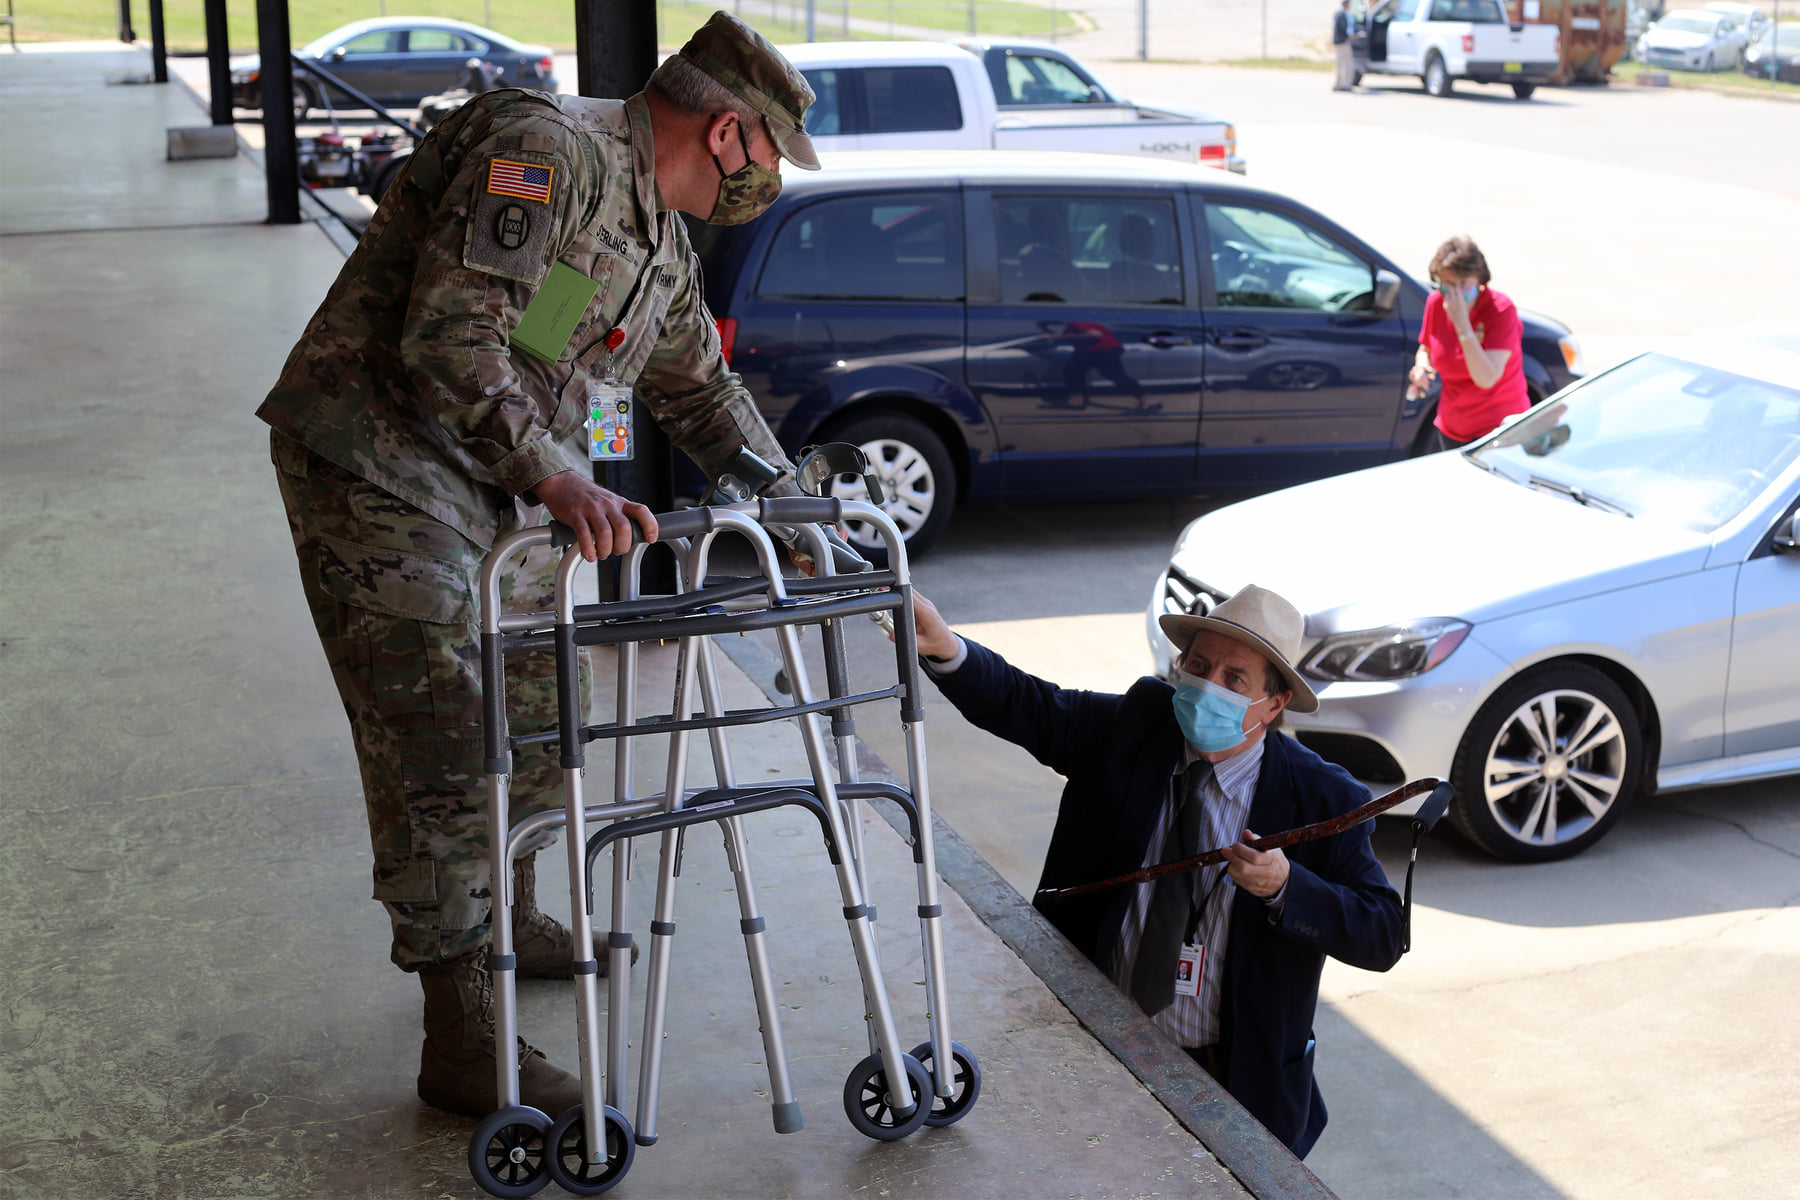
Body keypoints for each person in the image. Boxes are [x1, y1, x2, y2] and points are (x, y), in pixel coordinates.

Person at [259, 11, 819, 1119]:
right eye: (770, 157)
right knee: (445, 741)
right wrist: (562, 477)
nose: (770, 183)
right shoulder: (545, 151)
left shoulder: (656, 236)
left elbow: (697, 388)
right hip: (381, 461)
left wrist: (796, 506)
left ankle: (509, 913)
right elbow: (449, 339)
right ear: (725, 133)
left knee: (533, 707)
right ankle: (461, 1034)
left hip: (494, 483)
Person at [910, 584, 1403, 1158]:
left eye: (1234, 679)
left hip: (1230, 1079)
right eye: (1198, 665)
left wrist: (1286, 887)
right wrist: (946, 646)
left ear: (1274, 705)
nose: (1206, 686)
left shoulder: (1323, 799)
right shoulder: (1136, 726)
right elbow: (1029, 705)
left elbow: (1384, 934)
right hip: (1090, 1045)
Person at [1409, 235, 1530, 452]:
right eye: (1448, 284)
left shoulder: (1500, 310)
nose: (1455, 292)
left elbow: (1486, 377)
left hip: (1498, 430)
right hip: (1453, 426)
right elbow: (1425, 348)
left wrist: (1462, 325)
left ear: (1479, 280)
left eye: (1463, 284)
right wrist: (1421, 367)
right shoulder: (1436, 303)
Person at [1333, 1, 1357, 91]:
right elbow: (1343, 29)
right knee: (1348, 63)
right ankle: (1346, 84)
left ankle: (1339, 83)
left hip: (1338, 42)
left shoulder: (1338, 14)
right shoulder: (1343, 15)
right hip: (1343, 42)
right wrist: (1351, 36)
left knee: (1340, 64)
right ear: (1346, 5)